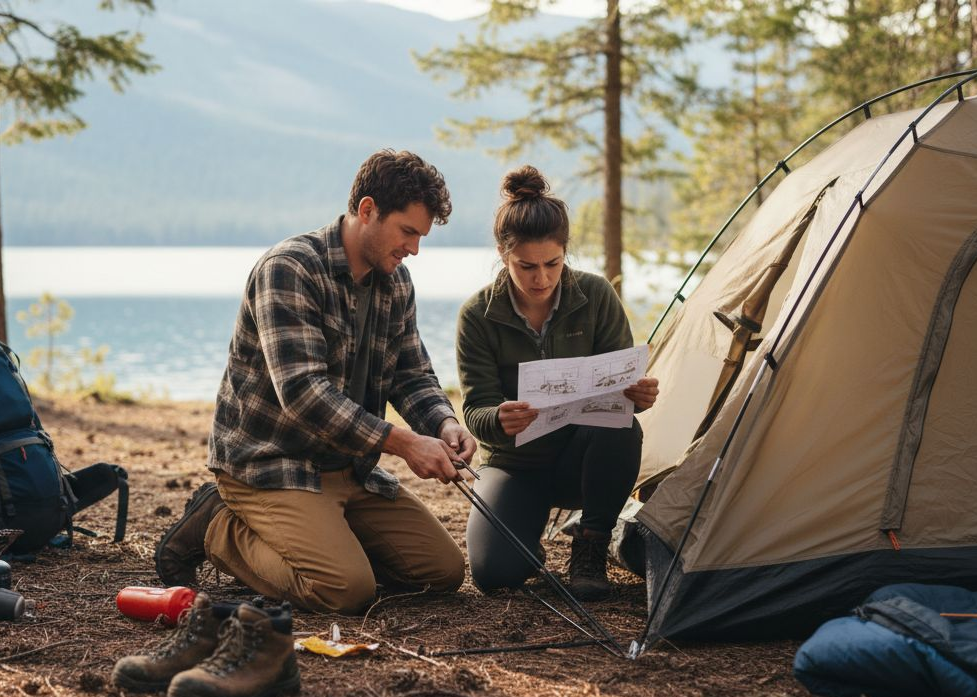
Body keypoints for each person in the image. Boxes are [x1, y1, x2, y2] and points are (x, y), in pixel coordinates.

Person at [155, 149, 473, 616]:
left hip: (350, 470)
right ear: (367, 211)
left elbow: (412, 374)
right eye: (408, 232)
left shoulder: (396, 282)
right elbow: (304, 394)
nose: (414, 249)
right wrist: (405, 444)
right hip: (271, 463)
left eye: (421, 237)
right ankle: (218, 525)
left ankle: (327, 536)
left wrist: (445, 424)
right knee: (345, 591)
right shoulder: (290, 269)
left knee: (441, 572)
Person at [455, 166, 659, 600]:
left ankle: (591, 543)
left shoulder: (596, 295)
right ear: (502, 254)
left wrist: (637, 396)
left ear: (566, 252)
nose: (541, 279)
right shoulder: (477, 315)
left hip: (581, 460)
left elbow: (622, 392)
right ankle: (526, 544)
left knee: (624, 429)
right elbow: (475, 411)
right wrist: (499, 417)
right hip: (515, 464)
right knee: (495, 574)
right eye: (525, 266)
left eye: (553, 263)